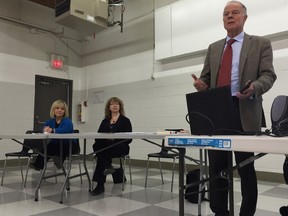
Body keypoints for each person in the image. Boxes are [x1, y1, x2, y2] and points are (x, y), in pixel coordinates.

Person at [192, 1, 276, 216]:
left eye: (235, 13)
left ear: (244, 18)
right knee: (217, 167)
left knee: (245, 167)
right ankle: (220, 211)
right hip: (217, 114)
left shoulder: (260, 43)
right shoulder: (214, 47)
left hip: (244, 110)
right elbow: (206, 78)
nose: (229, 16)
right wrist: (202, 85)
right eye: (226, 14)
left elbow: (268, 75)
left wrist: (255, 87)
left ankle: (246, 213)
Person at [90, 97, 132, 196]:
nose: (114, 105)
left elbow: (129, 139)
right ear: (109, 107)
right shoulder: (105, 121)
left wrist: (114, 139)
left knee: (101, 154)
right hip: (106, 147)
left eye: (117, 104)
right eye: (112, 104)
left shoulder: (125, 120)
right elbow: (98, 136)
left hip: (120, 146)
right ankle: (107, 166)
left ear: (120, 106)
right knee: (97, 145)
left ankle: (100, 185)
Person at [29, 99, 78, 170]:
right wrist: (45, 130)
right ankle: (38, 165)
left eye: (62, 109)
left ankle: (59, 161)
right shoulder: (50, 121)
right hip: (56, 144)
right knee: (47, 149)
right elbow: (45, 128)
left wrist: (52, 130)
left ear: (65, 111)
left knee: (61, 147)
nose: (59, 110)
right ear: (53, 110)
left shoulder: (67, 121)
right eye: (57, 108)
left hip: (70, 145)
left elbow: (65, 130)